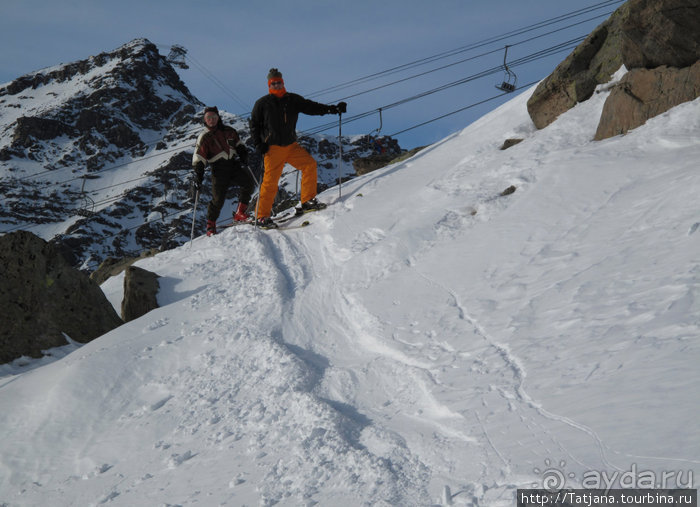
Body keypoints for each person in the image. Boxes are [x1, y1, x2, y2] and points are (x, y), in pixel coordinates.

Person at [250, 68, 346, 228]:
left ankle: (308, 201)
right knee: (270, 182)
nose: (277, 85)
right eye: (273, 83)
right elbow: (254, 125)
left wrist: (333, 109)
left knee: (309, 165)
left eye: (279, 82)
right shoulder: (262, 103)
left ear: (283, 82)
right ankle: (261, 217)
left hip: (291, 146)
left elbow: (311, 107)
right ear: (269, 85)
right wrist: (258, 144)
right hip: (273, 148)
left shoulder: (292, 99)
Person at [192, 106, 255, 236]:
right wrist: (198, 174)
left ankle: (240, 213)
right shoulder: (204, 137)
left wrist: (243, 153)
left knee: (248, 184)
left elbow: (239, 144)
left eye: (214, 117)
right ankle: (210, 225)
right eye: (208, 118)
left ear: (218, 118)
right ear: (205, 120)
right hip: (218, 169)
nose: (211, 120)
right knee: (218, 199)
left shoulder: (229, 131)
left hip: (233, 165)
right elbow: (199, 157)